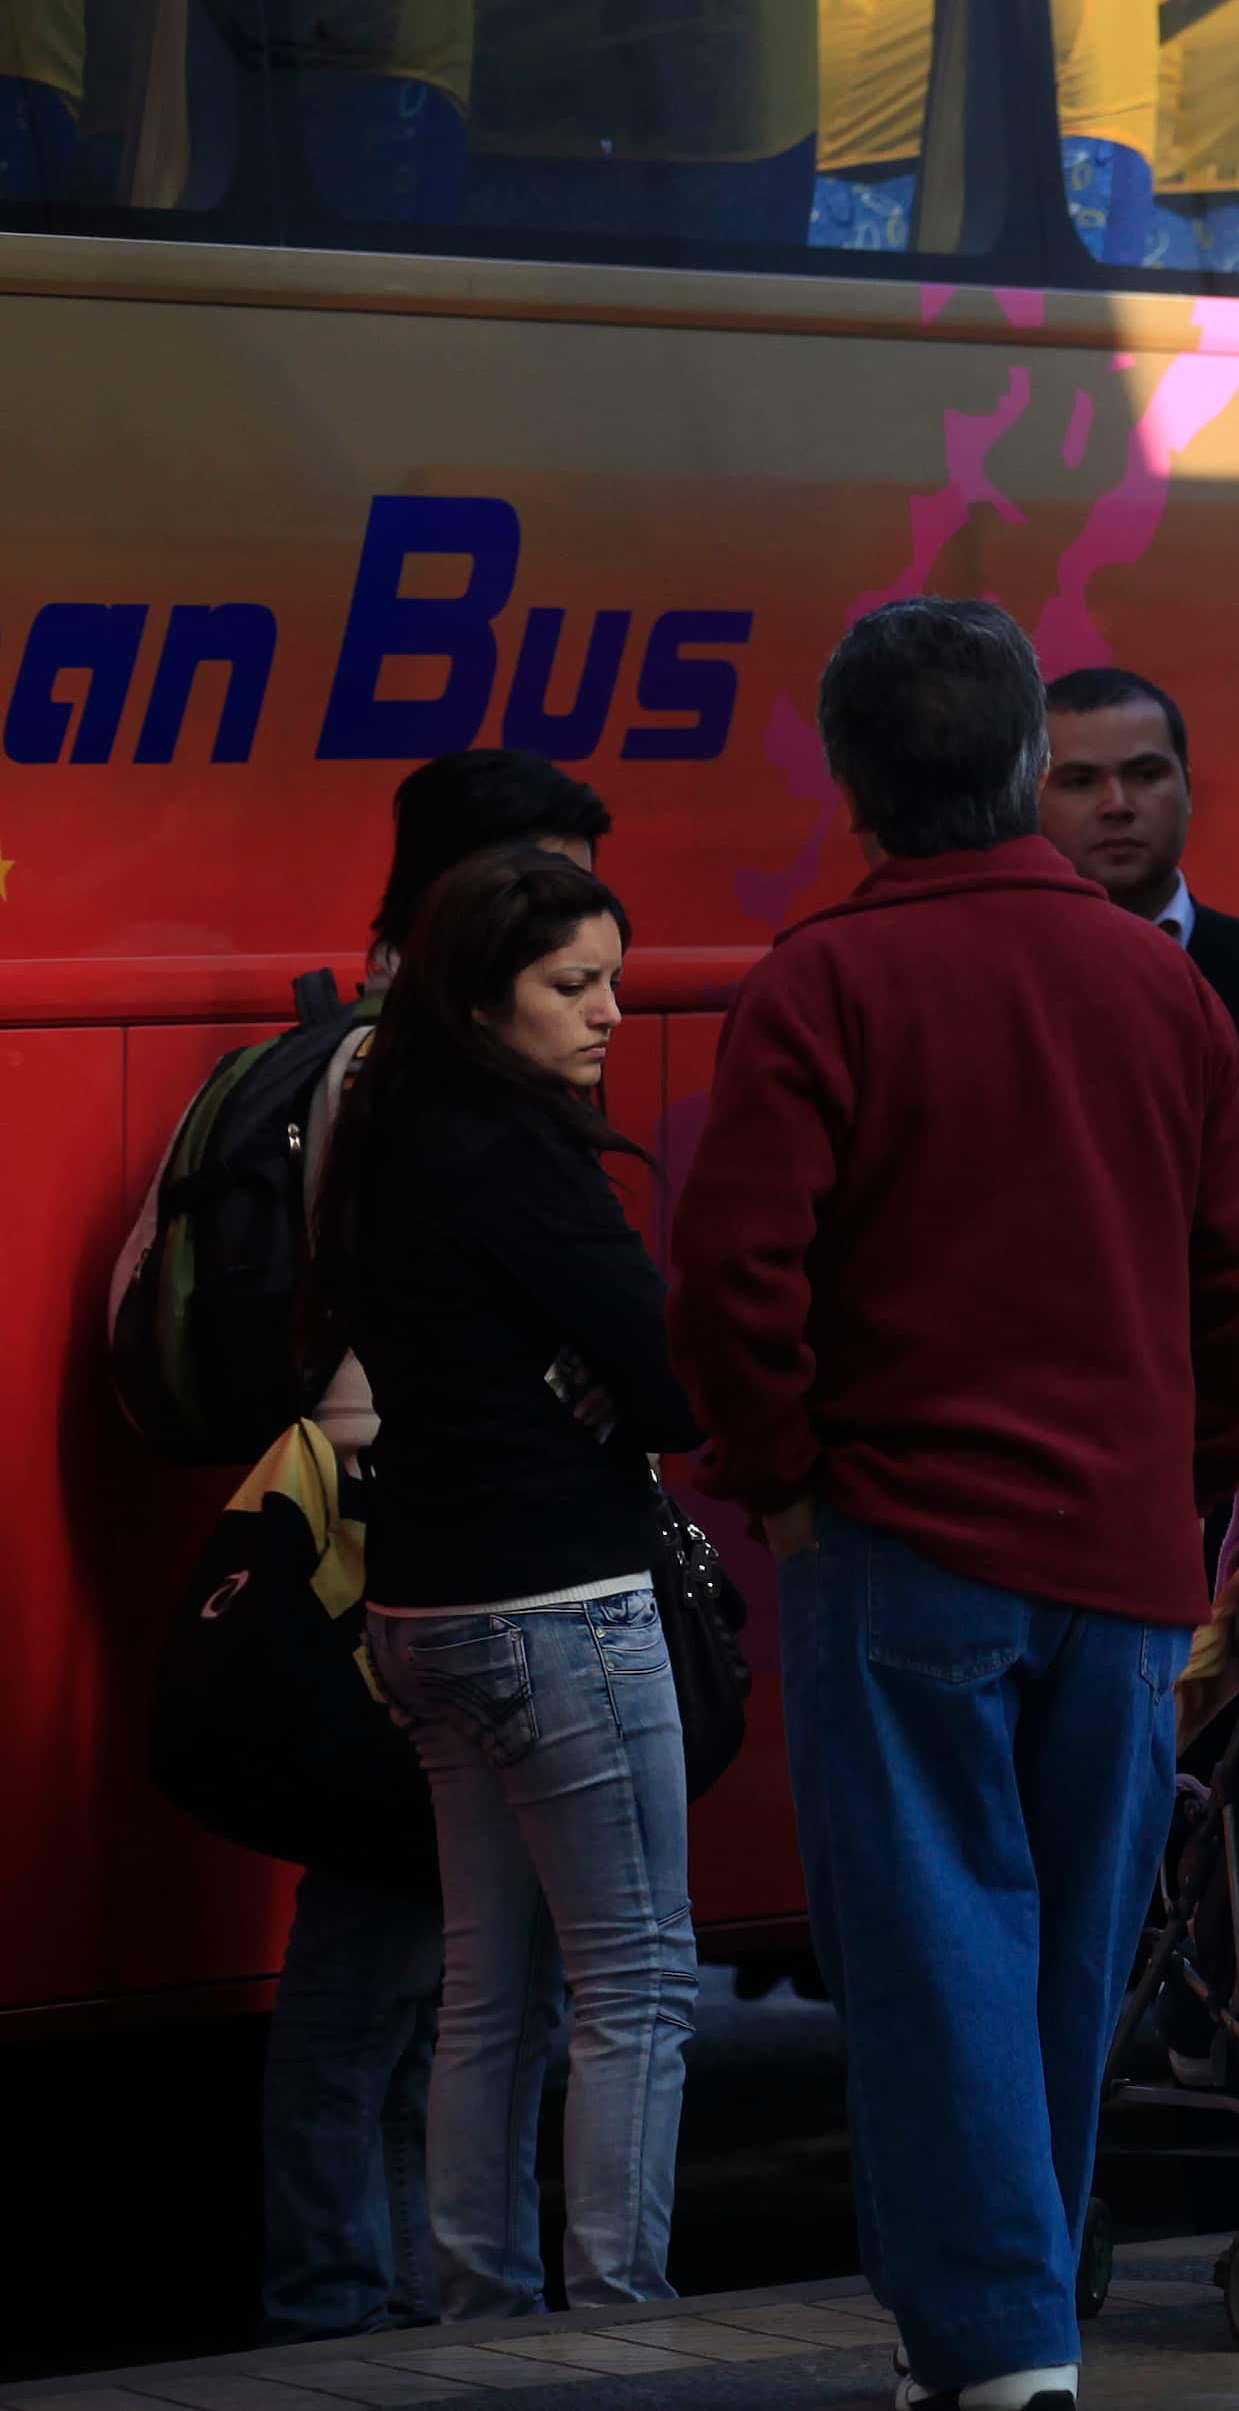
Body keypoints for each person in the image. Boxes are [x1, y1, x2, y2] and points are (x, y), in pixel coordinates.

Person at [671, 599, 1239, 2411]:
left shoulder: (823, 981)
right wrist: (1192, 1490)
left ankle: (998, 2338)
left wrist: (781, 1474)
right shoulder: (1153, 982)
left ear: (854, 779)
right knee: (1068, 1949)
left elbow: (734, 1271)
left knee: (936, 1939)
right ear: (1031, 763)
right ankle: (1012, 2325)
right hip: (1116, 1559)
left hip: (902, 1546)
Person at [229, 749, 607, 2343]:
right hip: (414, 1547)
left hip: (413, 1547)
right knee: (395, 1956)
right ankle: (339, 2302)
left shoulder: (395, 1059)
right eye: (549, 908)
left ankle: (391, 2300)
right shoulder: (409, 1078)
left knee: (438, 1962)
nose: (588, 960)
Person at [326, 845, 703, 2319]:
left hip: (424, 1602)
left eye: (613, 977)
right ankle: (621, 2307)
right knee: (641, 1982)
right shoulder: (526, 1154)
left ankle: (479, 2302)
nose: (608, 1012)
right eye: (573, 986)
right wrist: (616, 1389)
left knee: (484, 1987)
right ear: (483, 1002)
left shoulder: (391, 1134)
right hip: (562, 1602)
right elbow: (671, 1380)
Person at [1035, 666, 1239, 1064]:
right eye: (1080, 781)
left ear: (1187, 789)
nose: (1116, 805)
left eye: (1146, 775)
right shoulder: (993, 982)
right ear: (1030, 800)